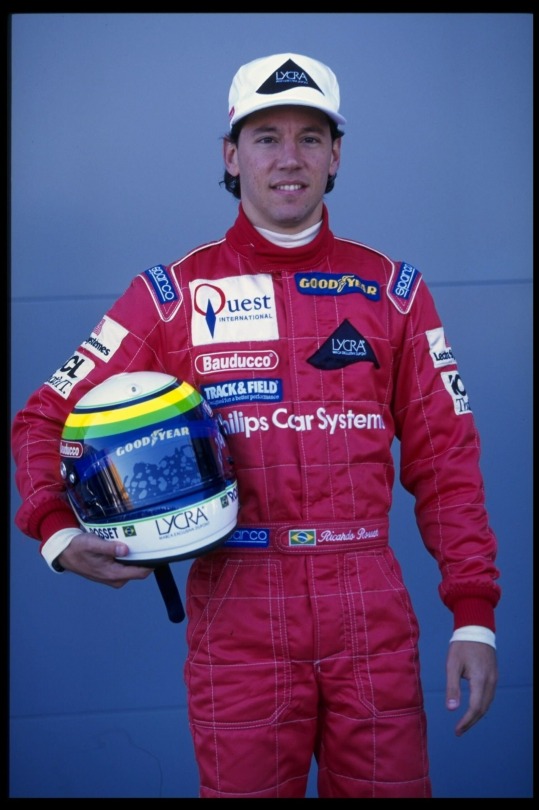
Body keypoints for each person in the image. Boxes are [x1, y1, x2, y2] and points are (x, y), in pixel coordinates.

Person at [12, 52, 500, 798]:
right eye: (266, 137)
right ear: (231, 156)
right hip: (237, 609)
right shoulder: (172, 295)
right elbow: (43, 417)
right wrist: (53, 529)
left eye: (311, 137)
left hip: (367, 606)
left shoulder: (394, 292)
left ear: (336, 156)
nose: (289, 158)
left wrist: (473, 615)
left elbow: (448, 464)